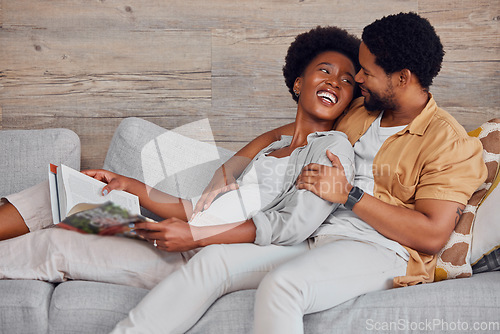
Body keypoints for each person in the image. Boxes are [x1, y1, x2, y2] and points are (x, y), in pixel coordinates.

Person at [111, 12, 487, 334]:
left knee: (283, 286)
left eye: (367, 72)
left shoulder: (447, 142)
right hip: (314, 232)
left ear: (402, 78)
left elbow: (432, 235)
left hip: (380, 250)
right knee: (213, 262)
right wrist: (241, 160)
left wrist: (349, 196)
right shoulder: (362, 110)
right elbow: (300, 127)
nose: (356, 78)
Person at [0, 26, 358, 293]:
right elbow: (194, 210)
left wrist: (198, 236)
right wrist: (127, 185)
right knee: (62, 190)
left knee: (55, 245)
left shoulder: (332, 150)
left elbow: (288, 228)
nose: (335, 82)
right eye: (325, 70)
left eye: (347, 81)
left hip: (199, 260)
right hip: (183, 238)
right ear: (298, 83)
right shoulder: (271, 150)